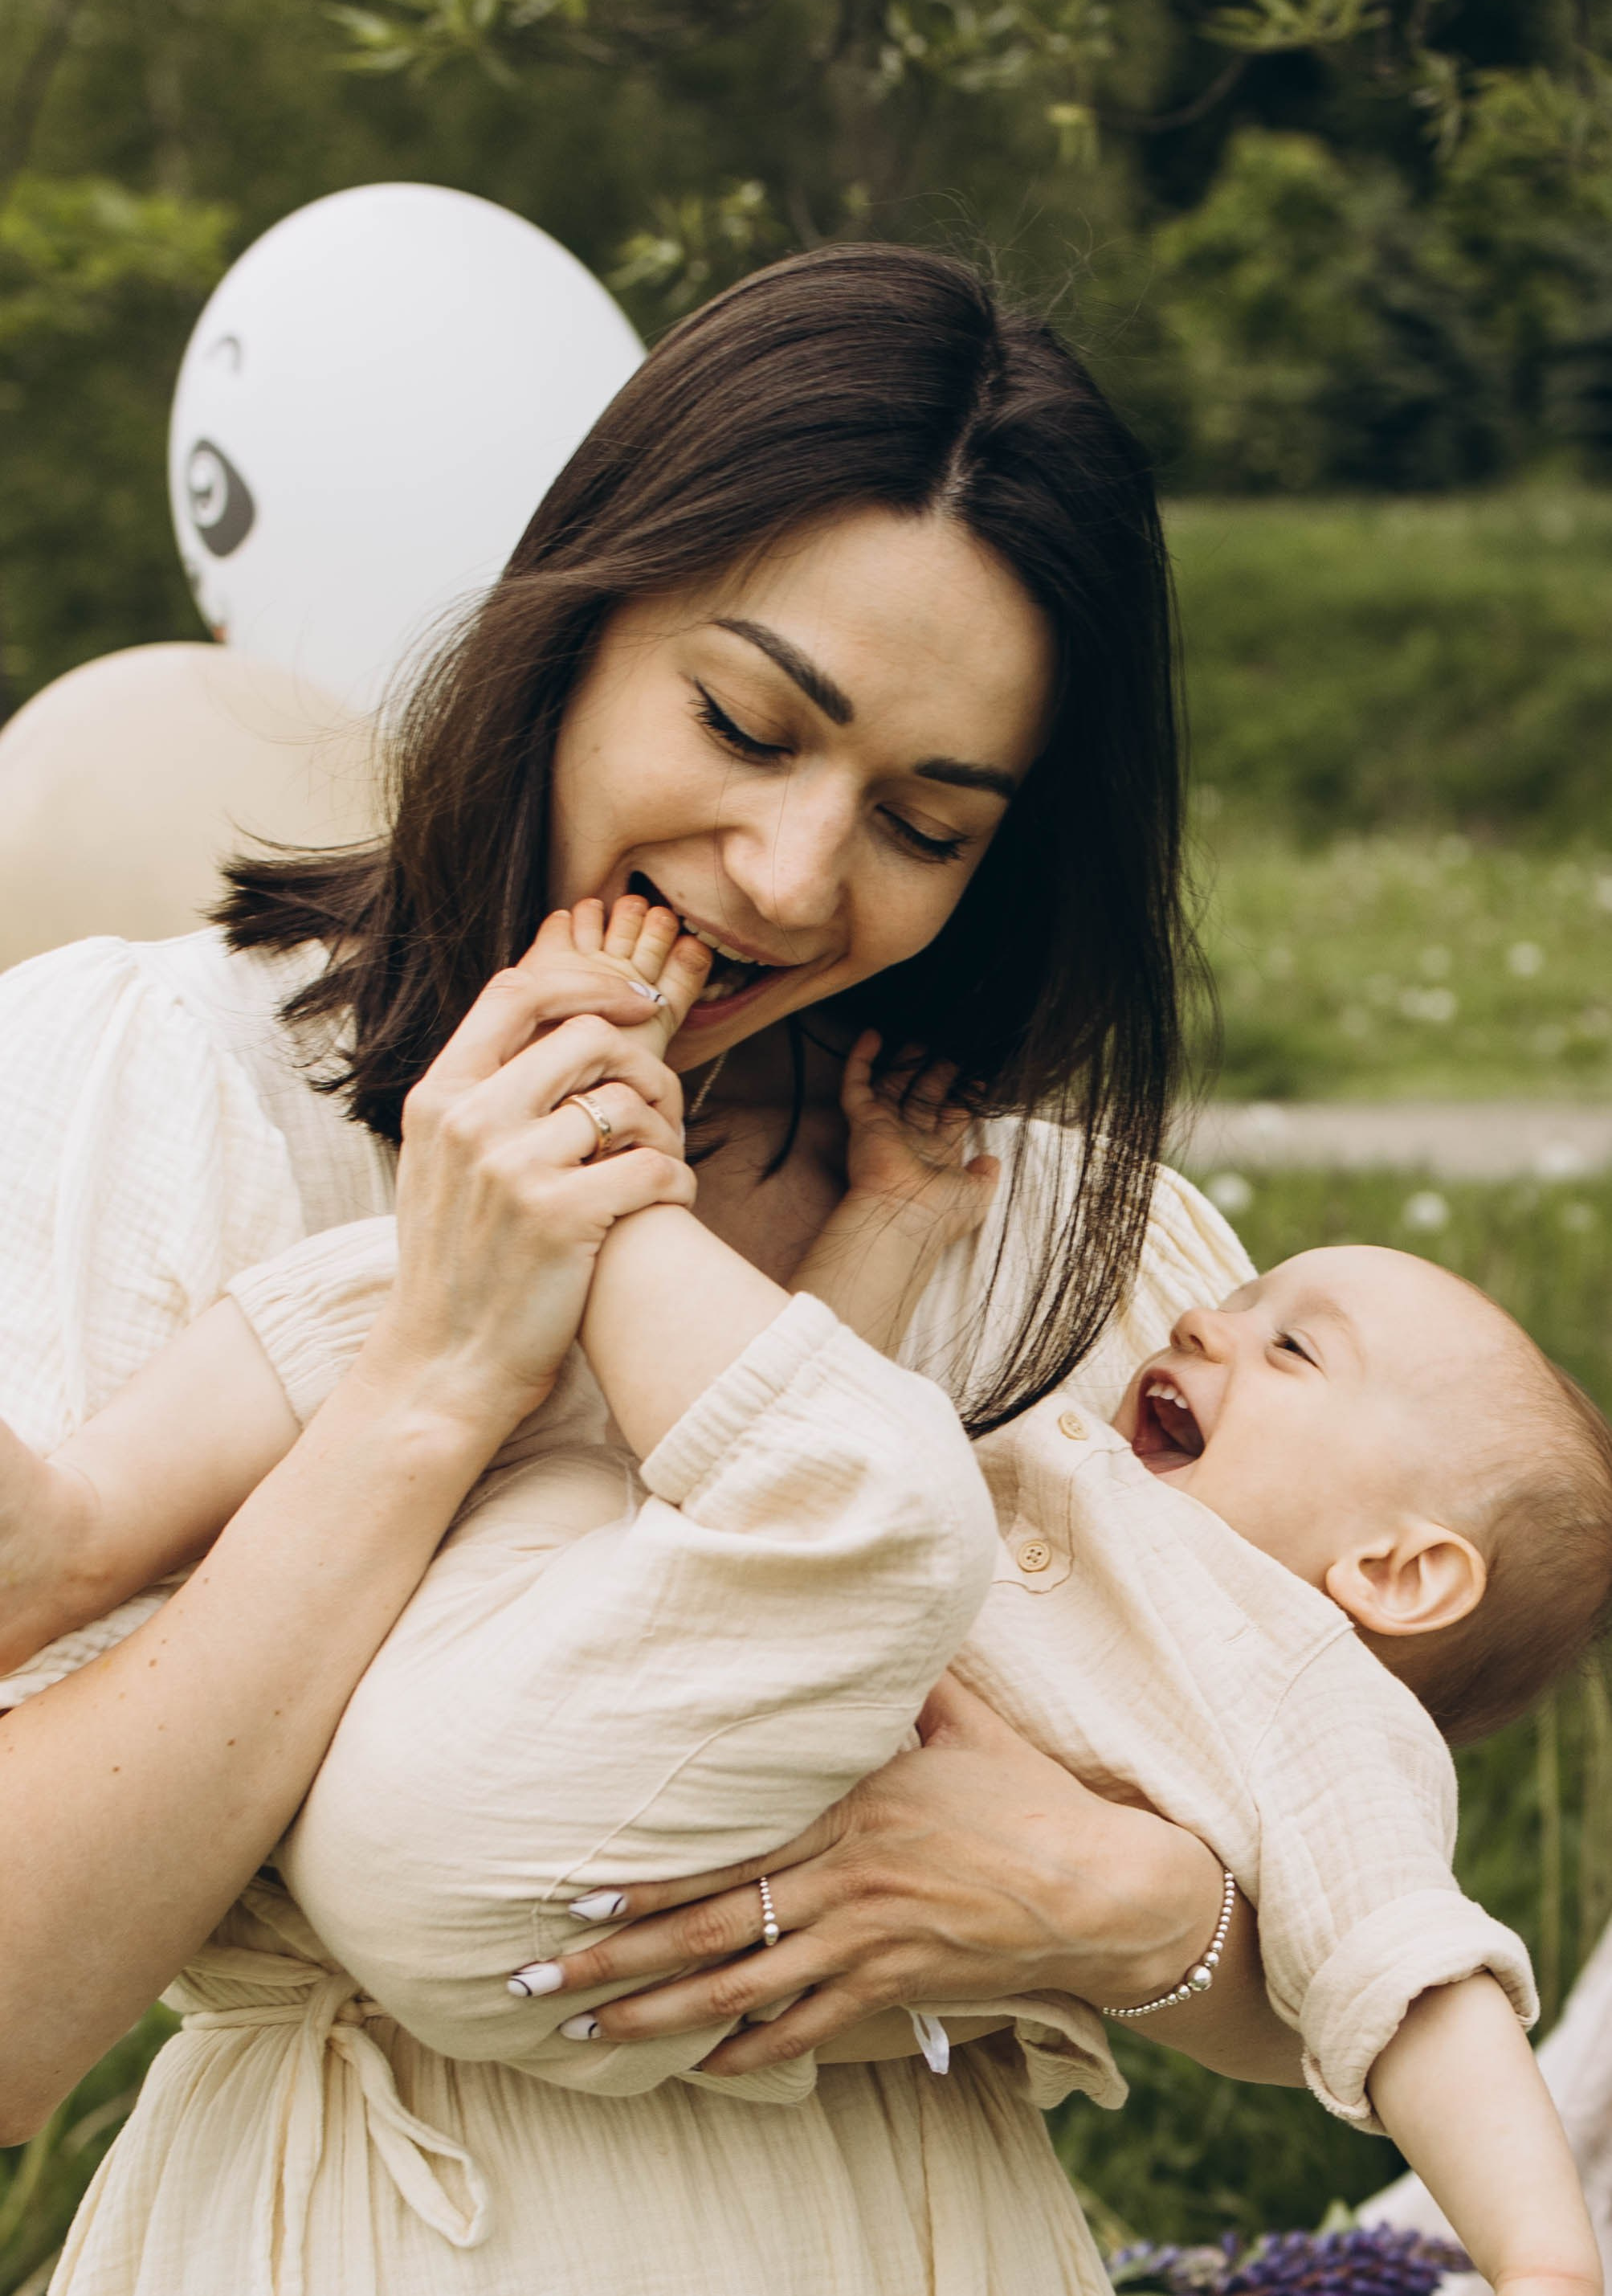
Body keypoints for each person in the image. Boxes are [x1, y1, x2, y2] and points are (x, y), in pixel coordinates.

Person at [0, 243, 1291, 2294]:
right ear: (571, 621)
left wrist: (1116, 1906)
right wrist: (432, 1372)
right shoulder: (166, 1089)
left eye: (925, 823)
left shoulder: (1043, 1232)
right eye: (744, 723)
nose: (790, 876)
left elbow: (1340, 1924)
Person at [6, 899, 1606, 2296]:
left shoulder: (1303, 1695)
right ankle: (85, 1518)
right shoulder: (1062, 1459)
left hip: (559, 1891)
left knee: (817, 1448)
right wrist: (889, 1230)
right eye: (1243, 1302)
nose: (1204, 1325)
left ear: (1401, 1569)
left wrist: (1539, 2255)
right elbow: (776, 1424)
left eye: (1289, 1346)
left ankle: (602, 1152)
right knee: (481, 1307)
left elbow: (1418, 1982)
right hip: (528, 1694)